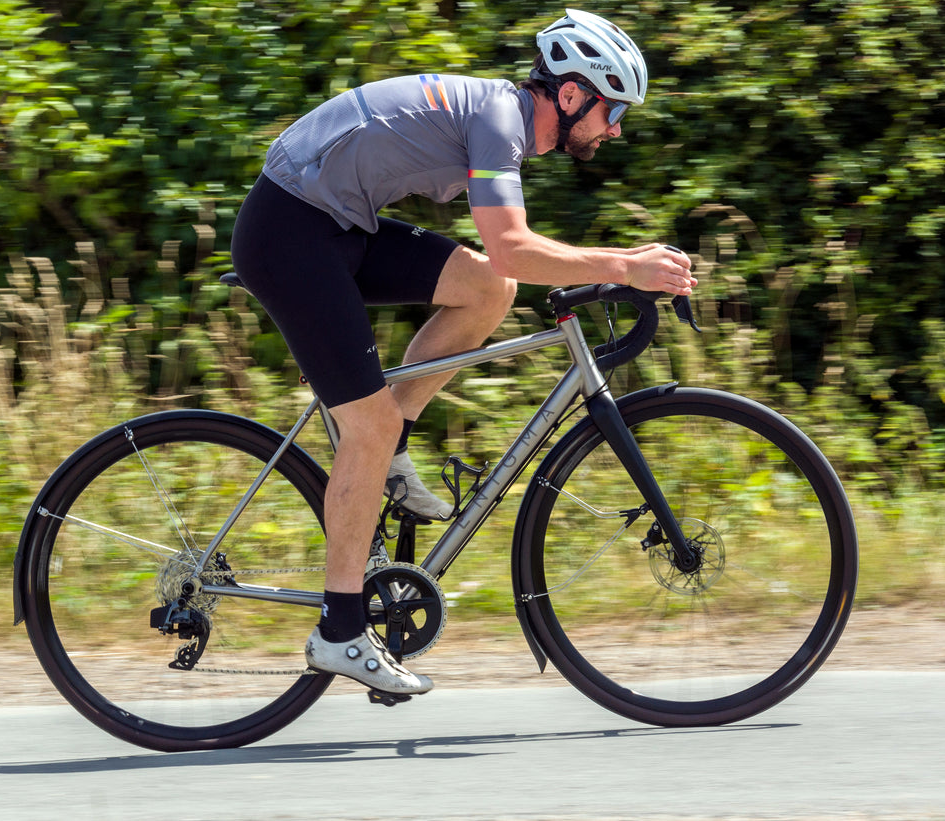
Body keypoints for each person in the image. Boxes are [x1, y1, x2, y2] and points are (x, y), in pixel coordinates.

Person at [228, 9, 697, 695]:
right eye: (612, 109)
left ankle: (385, 454)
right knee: (373, 418)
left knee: (487, 288)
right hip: (292, 231)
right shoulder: (500, 122)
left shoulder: (498, 118)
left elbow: (506, 262)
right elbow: (515, 242)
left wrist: (625, 261)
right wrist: (626, 267)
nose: (616, 128)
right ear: (571, 95)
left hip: (334, 223)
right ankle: (340, 629)